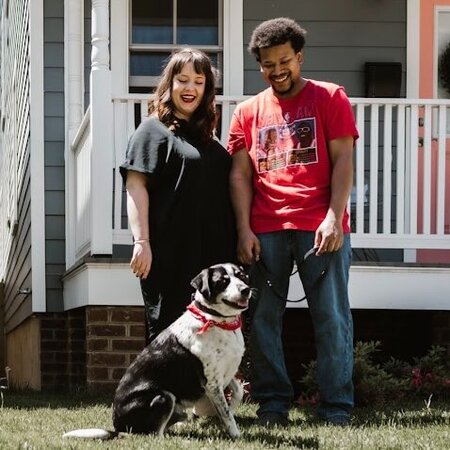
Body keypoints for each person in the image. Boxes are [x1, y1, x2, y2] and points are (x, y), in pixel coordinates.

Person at [227, 18, 358, 427]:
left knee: (332, 317)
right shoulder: (247, 112)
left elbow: (343, 162)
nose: (277, 70)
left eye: (285, 60)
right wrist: (244, 229)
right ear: (259, 65)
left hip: (321, 227)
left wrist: (334, 218)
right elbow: (240, 175)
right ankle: (272, 405)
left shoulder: (330, 97)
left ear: (299, 57)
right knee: (264, 320)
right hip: (266, 228)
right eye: (268, 64)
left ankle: (336, 408)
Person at [120, 48, 236, 343]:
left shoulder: (205, 137)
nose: (190, 88)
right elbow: (135, 186)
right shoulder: (152, 131)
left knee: (212, 341)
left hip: (214, 257)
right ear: (169, 84)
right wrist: (142, 241)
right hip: (172, 258)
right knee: (172, 341)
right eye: (182, 80)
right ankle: (162, 392)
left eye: (199, 81)